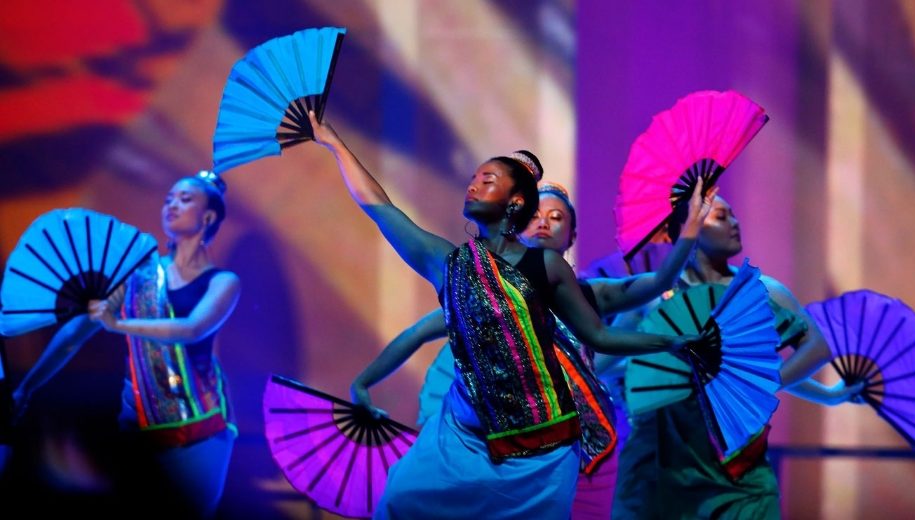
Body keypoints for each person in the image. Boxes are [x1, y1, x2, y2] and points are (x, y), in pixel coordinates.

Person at [306, 111, 695, 519]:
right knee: (400, 500)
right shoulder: (450, 265)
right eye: (473, 178)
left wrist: (673, 340)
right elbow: (379, 206)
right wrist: (335, 143)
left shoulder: (548, 268)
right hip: (462, 439)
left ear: (516, 201)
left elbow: (601, 336)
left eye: (488, 179)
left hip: (543, 453)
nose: (473, 184)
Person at [395, 180, 712, 519]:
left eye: (556, 216)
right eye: (534, 215)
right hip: (507, 450)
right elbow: (416, 332)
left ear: (572, 236)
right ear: (515, 227)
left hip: (578, 451)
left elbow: (660, 281)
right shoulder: (483, 295)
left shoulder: (591, 295)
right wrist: (364, 384)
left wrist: (691, 225)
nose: (544, 222)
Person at [612, 195, 862, 520]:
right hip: (665, 461)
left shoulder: (762, 290)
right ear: (689, 230)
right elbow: (603, 360)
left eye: (733, 215)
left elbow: (814, 348)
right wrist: (636, 370)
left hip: (739, 463)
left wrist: (823, 394)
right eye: (720, 216)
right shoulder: (655, 296)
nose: (734, 222)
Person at [12, 170, 240, 517]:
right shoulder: (137, 278)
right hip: (137, 424)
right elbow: (75, 335)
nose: (171, 205)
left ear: (208, 217)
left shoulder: (223, 282)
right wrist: (27, 387)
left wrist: (118, 324)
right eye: (168, 199)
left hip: (199, 429)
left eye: (184, 199)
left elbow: (192, 329)